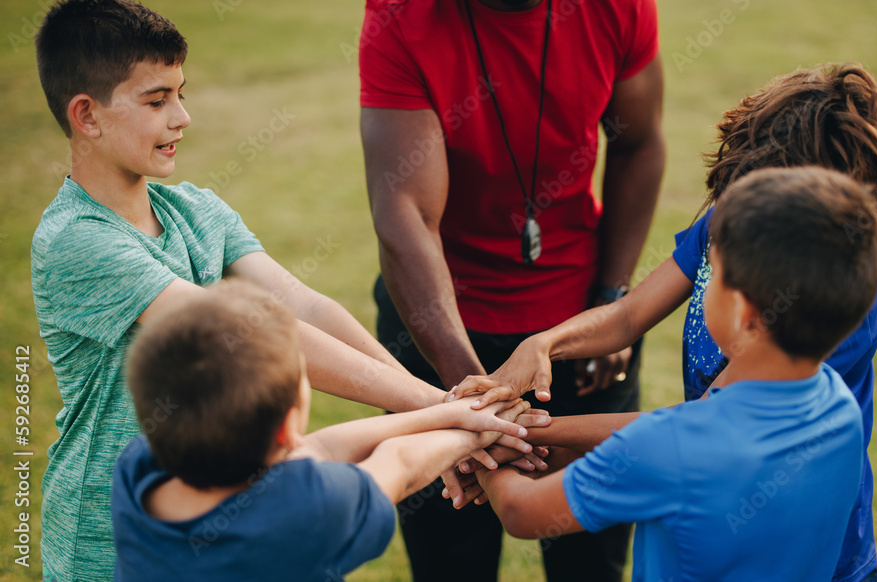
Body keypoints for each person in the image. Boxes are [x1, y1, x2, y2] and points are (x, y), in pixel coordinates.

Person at [31, 2, 532, 579]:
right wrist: (447, 411)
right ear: (86, 116)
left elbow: (305, 306)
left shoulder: (197, 210)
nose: (182, 117)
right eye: (156, 100)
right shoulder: (77, 242)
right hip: (113, 540)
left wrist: (440, 409)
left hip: (236, 507)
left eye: (181, 93)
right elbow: (251, 336)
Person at [452, 62, 877, 582]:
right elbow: (630, 313)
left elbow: (696, 430)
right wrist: (543, 345)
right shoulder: (748, 228)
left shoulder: (820, 307)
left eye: (716, 270)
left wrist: (502, 437)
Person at [358, 0, 665, 578]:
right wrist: (474, 398)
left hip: (581, 328)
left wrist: (611, 300)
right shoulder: (402, 13)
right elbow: (404, 212)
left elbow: (638, 142)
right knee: (451, 559)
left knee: (592, 560)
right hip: (439, 332)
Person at [475, 166, 877, 582]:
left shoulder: (668, 447)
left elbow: (521, 511)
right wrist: (534, 431)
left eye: (712, 272)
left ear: (743, 313)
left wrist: (485, 452)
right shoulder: (841, 408)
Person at [111, 280, 543, 581]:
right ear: (285, 426)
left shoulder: (137, 471)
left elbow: (314, 449)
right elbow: (402, 463)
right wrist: (481, 431)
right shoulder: (312, 507)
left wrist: (452, 413)